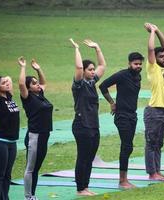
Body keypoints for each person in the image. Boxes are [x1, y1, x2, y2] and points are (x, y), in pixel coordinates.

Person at [99, 52, 144, 189]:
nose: (138, 66)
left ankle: (124, 178)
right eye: (136, 64)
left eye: (140, 64)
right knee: (127, 146)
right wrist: (112, 102)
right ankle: (122, 180)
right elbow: (103, 86)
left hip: (132, 116)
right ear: (129, 63)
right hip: (122, 116)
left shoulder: (138, 76)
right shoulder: (122, 75)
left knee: (128, 147)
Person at [70, 38, 106, 196]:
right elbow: (78, 66)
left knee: (90, 158)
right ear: (83, 71)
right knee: (83, 157)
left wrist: (97, 48)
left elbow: (103, 66)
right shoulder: (79, 85)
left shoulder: (91, 83)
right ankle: (80, 189)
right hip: (81, 125)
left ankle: (85, 187)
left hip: (93, 125)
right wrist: (77, 49)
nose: (93, 71)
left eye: (93, 69)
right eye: (90, 70)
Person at [18, 57, 53, 200]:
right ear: (28, 87)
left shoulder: (40, 94)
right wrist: (23, 67)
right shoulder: (27, 97)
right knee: (30, 168)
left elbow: (44, 82)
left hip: (44, 135)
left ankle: (33, 195)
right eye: (33, 83)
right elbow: (21, 84)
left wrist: (38, 69)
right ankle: (28, 197)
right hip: (35, 136)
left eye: (36, 82)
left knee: (36, 168)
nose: (37, 84)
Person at [143, 23, 164, 181]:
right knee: (151, 143)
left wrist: (158, 29)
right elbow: (150, 49)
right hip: (154, 111)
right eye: (161, 56)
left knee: (159, 144)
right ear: (155, 59)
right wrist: (152, 33)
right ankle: (152, 173)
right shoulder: (153, 68)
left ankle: (158, 171)